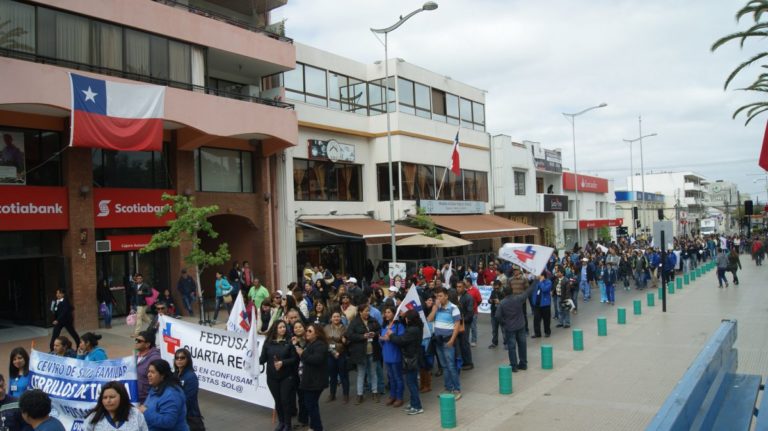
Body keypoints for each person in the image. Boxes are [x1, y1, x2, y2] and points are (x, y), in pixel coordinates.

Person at [260, 320, 298, 431]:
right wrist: (252, 359)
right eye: (280, 327)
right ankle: (281, 422)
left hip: (286, 376)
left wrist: (283, 363)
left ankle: (288, 424)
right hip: (272, 377)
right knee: (278, 400)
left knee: (285, 400)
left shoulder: (289, 342)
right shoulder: (268, 342)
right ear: (275, 329)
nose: (283, 329)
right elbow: (263, 359)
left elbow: (294, 359)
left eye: (284, 327)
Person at [386, 309, 424, 415]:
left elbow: (401, 340)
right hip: (413, 357)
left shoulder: (412, 330)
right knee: (412, 383)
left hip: (411, 359)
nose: (405, 319)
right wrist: (403, 316)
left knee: (411, 383)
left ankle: (417, 406)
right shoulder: (418, 326)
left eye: (406, 317)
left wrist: (391, 335)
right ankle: (413, 403)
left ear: (410, 319)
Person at [427, 287, 462, 400]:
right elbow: (429, 319)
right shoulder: (436, 307)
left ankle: (457, 389)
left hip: (448, 341)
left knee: (451, 366)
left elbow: (457, 325)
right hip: (438, 341)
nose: (438, 298)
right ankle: (448, 388)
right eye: (437, 296)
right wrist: (435, 308)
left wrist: (452, 339)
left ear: (446, 296)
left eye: (440, 296)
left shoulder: (453, 308)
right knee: (444, 366)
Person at [496, 276, 536, 372]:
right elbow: (528, 291)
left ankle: (513, 366)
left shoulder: (502, 303)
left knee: (512, 347)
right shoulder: (518, 298)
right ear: (512, 291)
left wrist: (504, 323)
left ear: (504, 293)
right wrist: (536, 280)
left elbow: (497, 316)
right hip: (521, 325)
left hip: (510, 327)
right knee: (522, 345)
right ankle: (523, 364)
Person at [294, 323, 329, 431]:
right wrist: (298, 346)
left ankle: (317, 427)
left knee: (311, 405)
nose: (307, 332)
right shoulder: (311, 343)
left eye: (310, 331)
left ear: (317, 334)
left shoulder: (320, 345)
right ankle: (313, 426)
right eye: (307, 330)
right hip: (310, 380)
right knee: (311, 404)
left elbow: (316, 360)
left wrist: (302, 353)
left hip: (315, 382)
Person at [345, 303, 381, 404]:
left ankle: (375, 392)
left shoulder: (372, 320)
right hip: (360, 352)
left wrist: (375, 333)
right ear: (360, 312)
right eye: (366, 311)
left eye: (368, 310)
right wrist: (362, 336)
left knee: (373, 372)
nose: (368, 313)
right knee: (361, 373)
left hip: (372, 351)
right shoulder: (355, 322)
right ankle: (359, 394)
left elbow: (379, 329)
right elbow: (349, 335)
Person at [139, 360, 189, 431]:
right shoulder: (155, 387)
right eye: (148, 371)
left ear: (162, 375)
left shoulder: (171, 394)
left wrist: (145, 412)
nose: (148, 375)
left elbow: (168, 422)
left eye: (152, 372)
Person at [84, 381, 148, 431]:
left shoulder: (136, 414)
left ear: (122, 397)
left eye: (112, 397)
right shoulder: (93, 418)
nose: (108, 401)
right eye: (105, 398)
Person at [379, 306, 405, 408]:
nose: (386, 314)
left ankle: (399, 397)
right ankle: (392, 395)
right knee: (391, 377)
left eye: (389, 312)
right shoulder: (384, 326)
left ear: (394, 314)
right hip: (386, 355)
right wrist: (381, 339)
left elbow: (401, 340)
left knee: (398, 377)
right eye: (385, 312)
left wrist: (392, 337)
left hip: (395, 355)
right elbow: (381, 341)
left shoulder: (399, 326)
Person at [172, 349, 204, 431]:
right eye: (177, 358)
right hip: (179, 414)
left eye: (182, 358)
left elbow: (188, 398)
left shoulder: (191, 377)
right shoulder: (175, 374)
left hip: (190, 416)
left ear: (188, 360)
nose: (179, 360)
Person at [323, 311, 349, 403]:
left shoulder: (345, 328)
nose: (336, 318)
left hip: (341, 354)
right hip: (330, 355)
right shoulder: (326, 328)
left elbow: (349, 342)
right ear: (331, 318)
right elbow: (324, 342)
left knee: (343, 376)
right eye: (334, 317)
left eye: (338, 316)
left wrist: (345, 341)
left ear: (340, 318)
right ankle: (332, 394)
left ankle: (346, 395)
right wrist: (333, 351)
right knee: (332, 376)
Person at [135, 331, 161, 404]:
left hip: (146, 400)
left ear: (147, 344)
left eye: (139, 341)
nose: (136, 342)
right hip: (136, 398)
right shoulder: (137, 356)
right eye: (136, 340)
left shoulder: (155, 359)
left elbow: (158, 382)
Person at [455, 281, 474, 370]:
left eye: (460, 287)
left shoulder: (468, 297)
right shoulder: (456, 296)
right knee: (459, 343)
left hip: (465, 323)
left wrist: (462, 320)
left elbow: (470, 313)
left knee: (464, 342)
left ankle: (468, 362)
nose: (458, 288)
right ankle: (462, 361)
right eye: (457, 287)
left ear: (464, 287)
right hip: (457, 322)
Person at [530, 273, 552, 338]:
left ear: (543, 276)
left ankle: (547, 332)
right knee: (536, 319)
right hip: (537, 304)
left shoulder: (548, 282)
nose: (537, 276)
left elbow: (544, 289)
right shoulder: (536, 282)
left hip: (545, 304)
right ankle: (537, 333)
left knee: (546, 319)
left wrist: (541, 282)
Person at [488, 279, 504, 349]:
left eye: (497, 288)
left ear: (500, 286)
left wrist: (499, 301)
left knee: (504, 329)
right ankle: (494, 342)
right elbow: (489, 299)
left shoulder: (504, 292)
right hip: (494, 313)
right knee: (494, 330)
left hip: (502, 314)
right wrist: (490, 301)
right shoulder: (493, 292)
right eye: (494, 288)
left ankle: (506, 343)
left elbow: (507, 302)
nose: (496, 289)